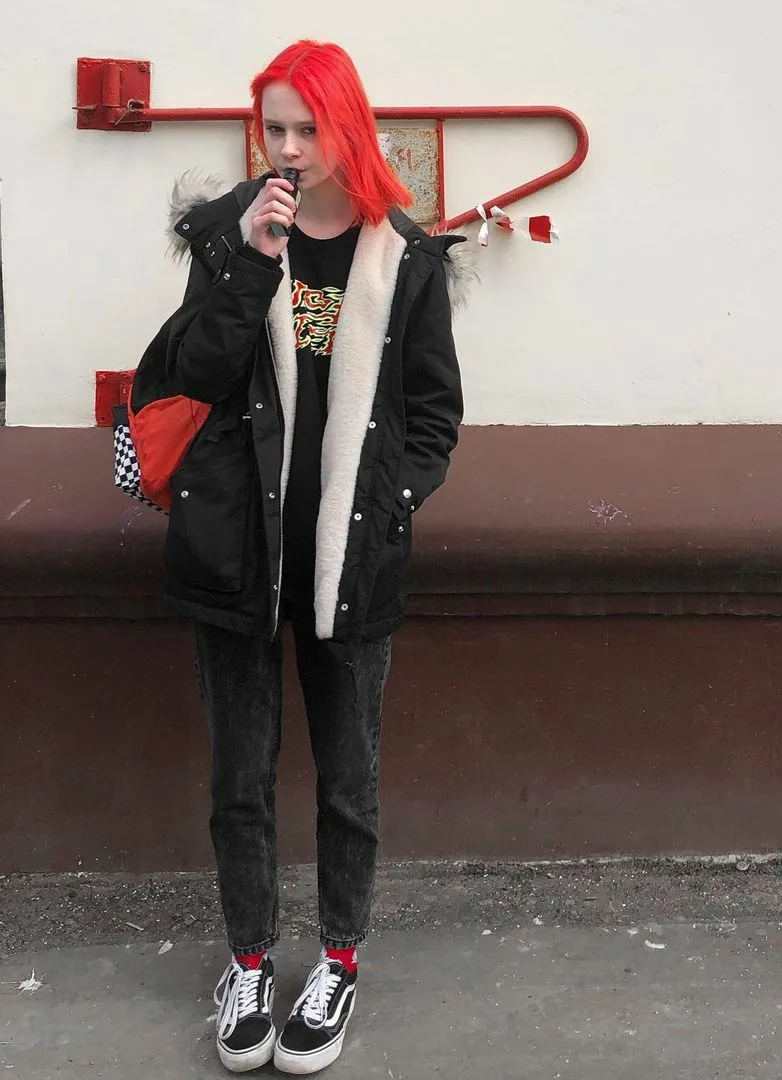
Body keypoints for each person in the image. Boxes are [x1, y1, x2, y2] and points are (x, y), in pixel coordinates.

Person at [157, 39, 469, 1075]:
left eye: (308, 129)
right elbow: (195, 374)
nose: (288, 150)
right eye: (274, 129)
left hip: (352, 564)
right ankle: (248, 964)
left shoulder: (404, 259)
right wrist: (251, 260)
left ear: (348, 128)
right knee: (240, 778)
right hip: (238, 554)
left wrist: (389, 508)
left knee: (348, 779)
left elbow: (434, 415)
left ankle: (337, 961)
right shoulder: (230, 235)